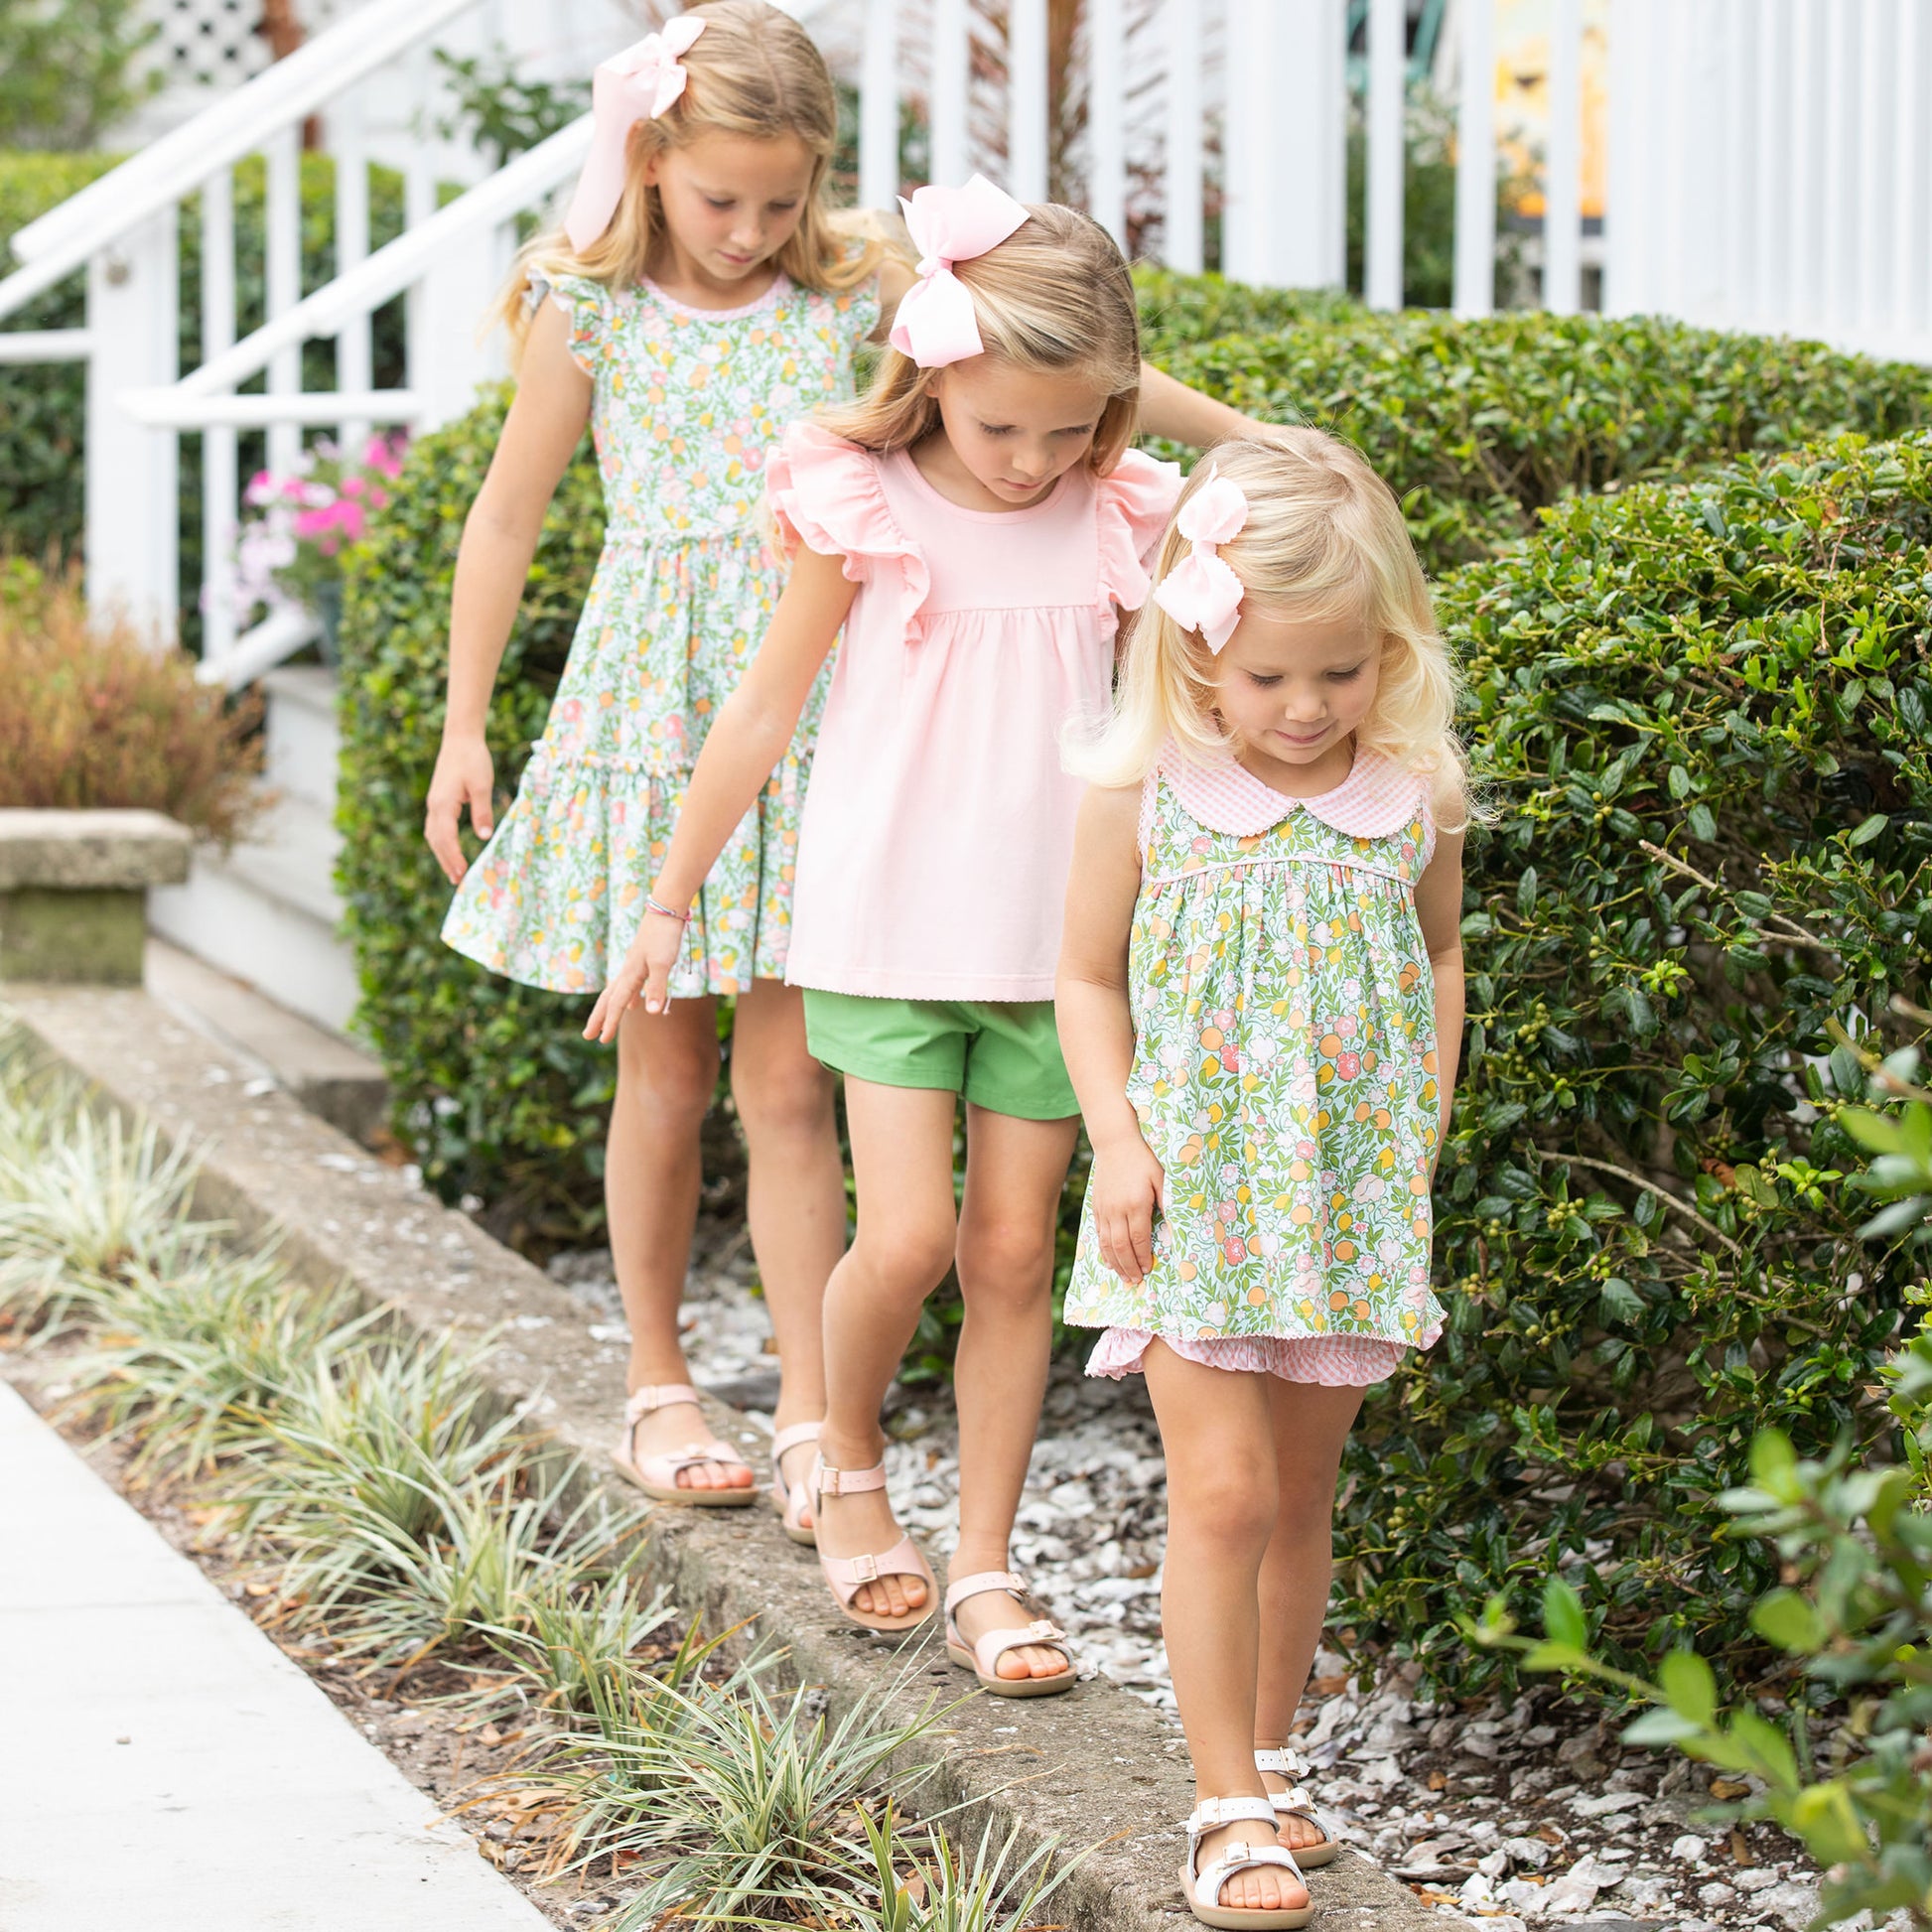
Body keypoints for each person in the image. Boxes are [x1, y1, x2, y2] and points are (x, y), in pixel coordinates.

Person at [426, 6, 1262, 1534]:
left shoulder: (871, 291)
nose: (750, 231)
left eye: (780, 198)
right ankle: (663, 1374)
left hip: (856, 710)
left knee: (793, 1073)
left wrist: (1265, 441)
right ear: (652, 159)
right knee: (665, 1063)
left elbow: (1087, 388)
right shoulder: (585, 305)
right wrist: (466, 718)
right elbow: (503, 513)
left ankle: (815, 1410)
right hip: (671, 703)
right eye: (718, 197)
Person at [589, 176, 1188, 1693]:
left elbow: (1160, 735)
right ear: (928, 379)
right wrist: (669, 899)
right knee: (909, 1234)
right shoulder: (863, 498)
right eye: (1002, 429)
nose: (1034, 460)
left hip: (1056, 962)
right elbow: (762, 706)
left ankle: (985, 1559)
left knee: (1008, 1257)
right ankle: (839, 1449)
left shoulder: (1118, 514)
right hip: (882, 928)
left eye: (1069, 429)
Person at [1054, 432, 1472, 1926]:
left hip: (1344, 1203)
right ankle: (1221, 1797)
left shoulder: (1410, 796)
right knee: (1221, 1490)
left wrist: (1415, 1124)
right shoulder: (1147, 792)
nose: (1304, 710)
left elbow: (1435, 955)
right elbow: (1084, 980)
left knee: (1303, 1492)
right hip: (1193, 1198)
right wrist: (1116, 1135)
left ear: (1385, 655)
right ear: (1197, 655)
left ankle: (1280, 1753)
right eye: (1270, 676)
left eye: (1339, 674)